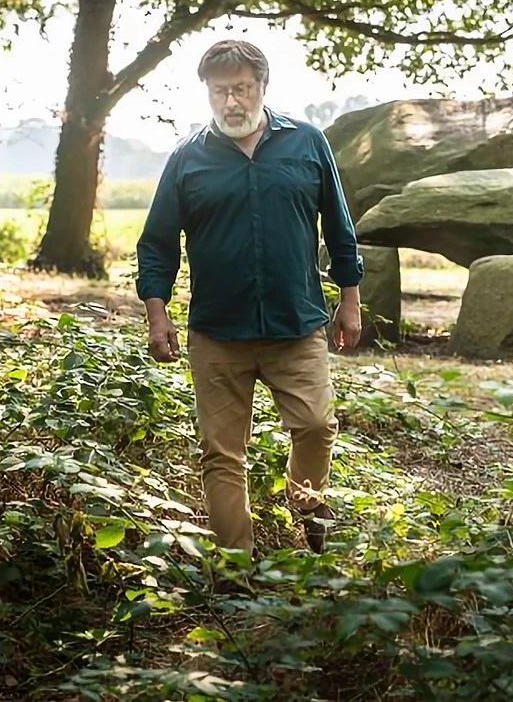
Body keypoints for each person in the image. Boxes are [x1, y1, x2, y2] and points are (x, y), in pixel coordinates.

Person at [135, 39, 363, 557]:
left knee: (315, 426)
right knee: (222, 454)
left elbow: (339, 225)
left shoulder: (307, 142)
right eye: (220, 91)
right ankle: (237, 567)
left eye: (241, 88)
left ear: (263, 87)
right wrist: (157, 313)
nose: (232, 101)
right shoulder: (187, 158)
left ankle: (305, 503)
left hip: (295, 324)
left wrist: (349, 299)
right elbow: (156, 242)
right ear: (207, 94)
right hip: (217, 331)